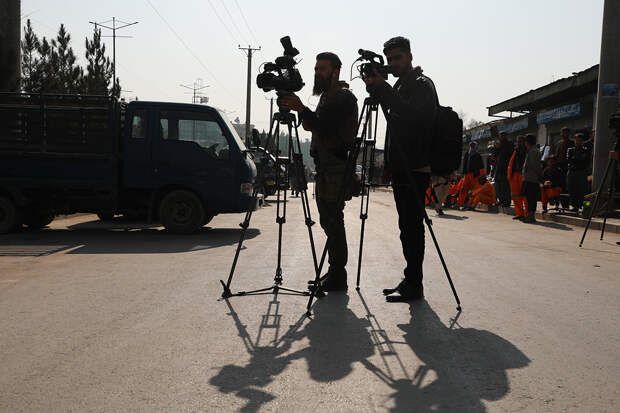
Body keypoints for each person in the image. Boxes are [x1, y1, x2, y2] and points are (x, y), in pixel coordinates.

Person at [363, 36, 437, 301]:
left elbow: (411, 116)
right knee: (406, 227)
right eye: (390, 59)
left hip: (415, 165)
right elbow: (393, 127)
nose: (393, 63)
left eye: (398, 58)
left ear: (410, 57)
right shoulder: (400, 85)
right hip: (401, 166)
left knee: (412, 226)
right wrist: (388, 164)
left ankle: (415, 284)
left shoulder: (422, 85)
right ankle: (410, 279)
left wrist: (383, 88)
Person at [279, 52, 358, 291]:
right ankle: (334, 272)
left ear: (335, 71)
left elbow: (326, 128)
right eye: (316, 69)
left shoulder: (343, 98)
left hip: (335, 168)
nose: (317, 73)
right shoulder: (327, 96)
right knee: (328, 221)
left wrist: (301, 108)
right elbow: (312, 125)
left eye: (322, 69)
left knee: (333, 221)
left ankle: (338, 275)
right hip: (325, 168)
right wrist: (301, 111)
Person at [566, 133, 591, 213]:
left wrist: (577, 159)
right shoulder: (570, 150)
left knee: (581, 190)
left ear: (582, 141)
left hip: (581, 172)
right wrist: (579, 158)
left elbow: (586, 161)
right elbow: (569, 160)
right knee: (572, 189)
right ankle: (574, 206)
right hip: (572, 171)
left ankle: (581, 205)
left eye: (580, 140)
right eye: (576, 140)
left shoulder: (586, 150)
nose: (578, 142)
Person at [522, 134, 543, 223]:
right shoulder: (531, 150)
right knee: (529, 198)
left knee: (531, 198)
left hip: (532, 178)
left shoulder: (534, 151)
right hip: (529, 177)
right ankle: (529, 215)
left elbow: (535, 166)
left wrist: (539, 176)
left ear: (527, 142)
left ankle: (531, 216)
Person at [457, 141, 484, 207]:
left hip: (474, 175)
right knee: (463, 189)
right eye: (471, 145)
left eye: (473, 146)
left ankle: (471, 204)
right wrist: (463, 173)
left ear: (476, 147)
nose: (472, 147)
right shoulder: (467, 154)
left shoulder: (478, 155)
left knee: (474, 190)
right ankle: (460, 203)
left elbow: (481, 166)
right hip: (467, 174)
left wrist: (480, 174)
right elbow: (464, 164)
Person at [508, 135, 528, 221]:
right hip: (514, 175)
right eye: (518, 141)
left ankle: (527, 214)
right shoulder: (515, 151)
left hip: (522, 175)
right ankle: (519, 214)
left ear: (524, 142)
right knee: (515, 196)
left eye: (520, 141)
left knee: (525, 196)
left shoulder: (527, 151)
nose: (518, 143)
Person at [494, 131, 514, 209]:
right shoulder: (498, 144)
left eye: (503, 135)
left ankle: (506, 202)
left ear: (506, 136)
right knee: (499, 185)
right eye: (501, 136)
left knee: (505, 186)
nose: (502, 137)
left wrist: (500, 147)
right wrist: (497, 148)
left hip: (506, 168)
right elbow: (495, 155)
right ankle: (501, 201)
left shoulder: (509, 144)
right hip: (499, 168)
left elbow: (509, 154)